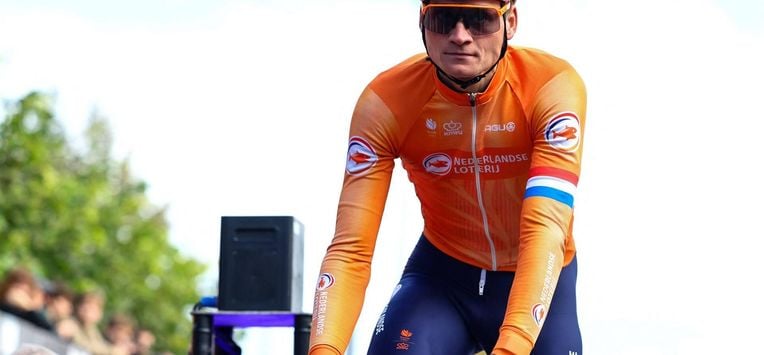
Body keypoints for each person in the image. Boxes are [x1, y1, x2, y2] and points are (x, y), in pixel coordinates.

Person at [308, 0, 586, 354]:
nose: (460, 36)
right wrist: (323, 349)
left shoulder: (550, 85)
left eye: (479, 20)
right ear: (422, 23)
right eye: (443, 19)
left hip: (536, 273)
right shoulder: (387, 101)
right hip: (442, 279)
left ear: (510, 21)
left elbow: (545, 228)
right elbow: (351, 248)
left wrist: (512, 347)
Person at [0, 267, 55, 332]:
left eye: (24, 290)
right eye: (17, 287)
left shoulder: (30, 314)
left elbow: (48, 331)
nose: (19, 294)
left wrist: (28, 308)